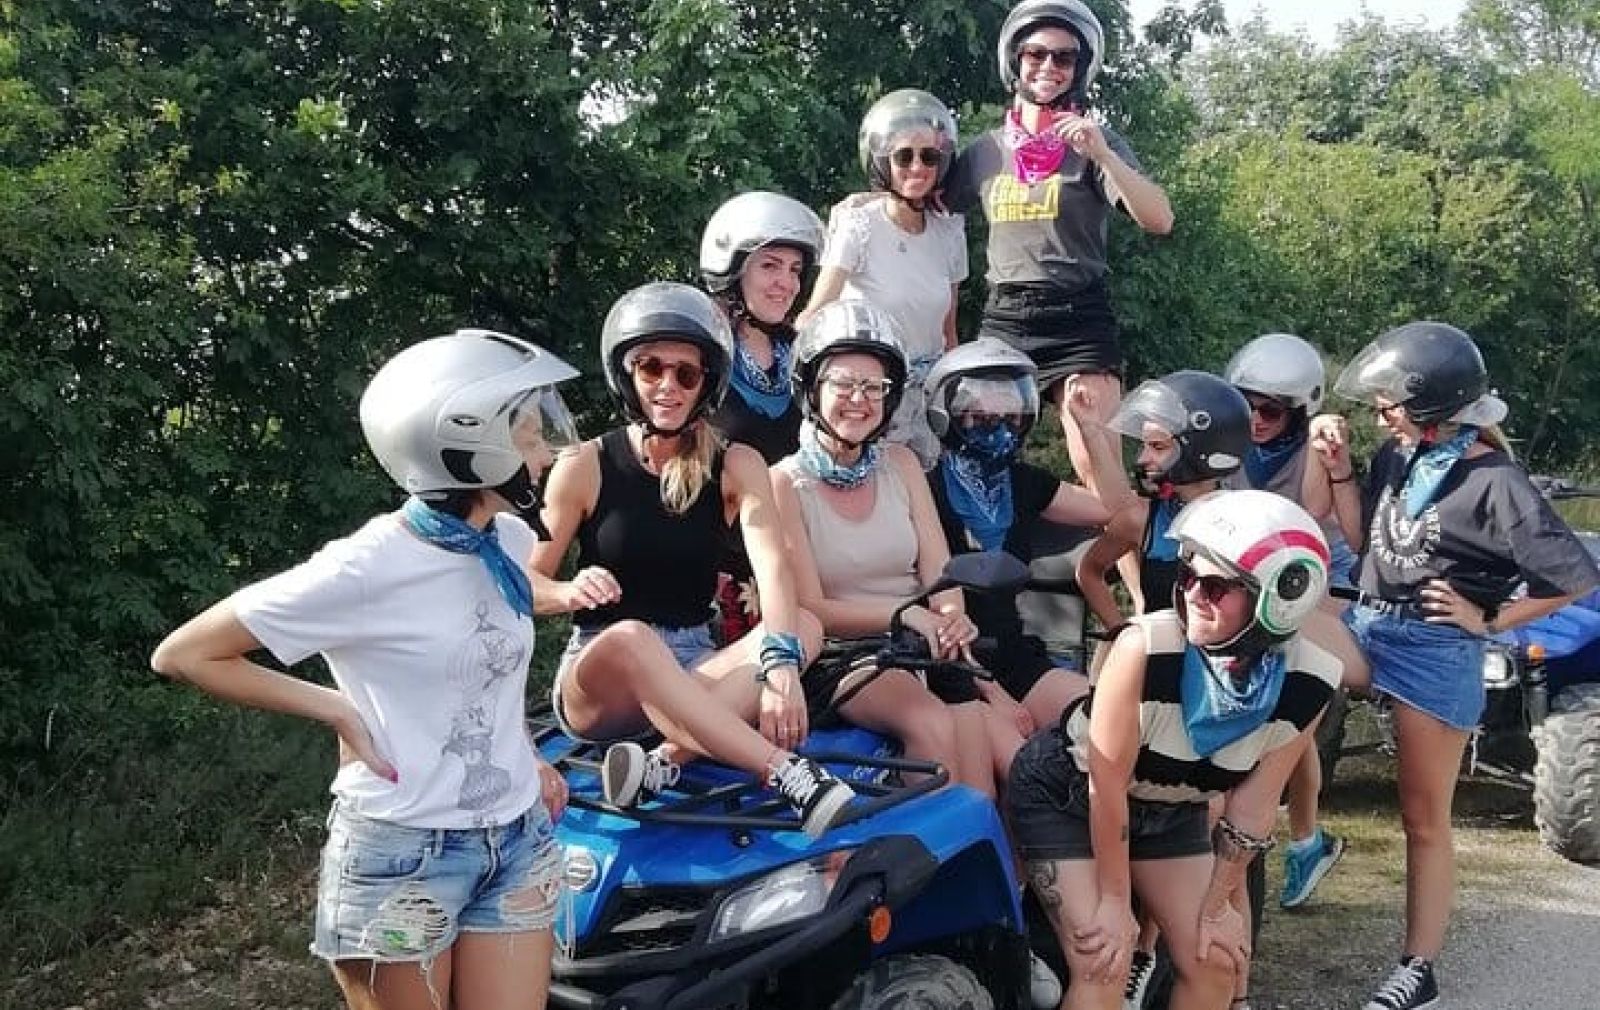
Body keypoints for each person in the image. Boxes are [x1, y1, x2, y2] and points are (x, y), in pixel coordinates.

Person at [150, 329, 581, 1010]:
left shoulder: (505, 539)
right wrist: (336, 708)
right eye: (529, 438)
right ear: (468, 447)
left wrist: (524, 754)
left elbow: (484, 672)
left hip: (517, 839)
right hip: (404, 853)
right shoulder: (367, 566)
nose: (547, 453)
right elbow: (186, 653)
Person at [1310, 321, 1600, 1010]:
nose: (1379, 416)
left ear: (1432, 404)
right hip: (1370, 624)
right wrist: (1341, 468)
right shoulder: (1398, 455)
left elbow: (1574, 579)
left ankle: (1419, 971)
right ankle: (1281, 836)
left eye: (1389, 405)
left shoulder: (1496, 479)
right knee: (1285, 637)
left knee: (1422, 819)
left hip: (1436, 651)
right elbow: (1364, 542)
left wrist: (1489, 621)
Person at [531, 282, 854, 838]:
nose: (668, 385)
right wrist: (567, 591)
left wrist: (780, 665)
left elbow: (773, 566)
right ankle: (787, 773)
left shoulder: (737, 464)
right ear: (626, 374)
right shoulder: (585, 464)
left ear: (707, 383)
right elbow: (522, 583)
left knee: (803, 624)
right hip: (604, 673)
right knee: (633, 637)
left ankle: (662, 762)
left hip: (694, 665)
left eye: (686, 374)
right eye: (651, 367)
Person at [1009, 490, 1349, 1010]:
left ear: (1281, 597)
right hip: (1068, 795)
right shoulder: (1143, 648)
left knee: (1215, 960)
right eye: (1186, 576)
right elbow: (1106, 781)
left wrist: (1217, 906)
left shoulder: (1312, 680)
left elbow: (1253, 809)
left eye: (1215, 586)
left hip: (1172, 809)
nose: (1192, 594)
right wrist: (1115, 901)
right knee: (1104, 962)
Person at [772, 300, 1015, 800]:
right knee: (930, 722)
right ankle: (926, 847)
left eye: (874, 387)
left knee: (987, 786)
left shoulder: (901, 464)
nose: (858, 400)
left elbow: (940, 571)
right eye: (843, 384)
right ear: (812, 389)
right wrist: (907, 616)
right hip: (842, 655)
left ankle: (987, 851)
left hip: (924, 644)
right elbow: (812, 607)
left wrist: (951, 618)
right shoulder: (783, 483)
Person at [942, 0, 1173, 508]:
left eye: (1064, 57)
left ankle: (1136, 563)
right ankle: (994, 559)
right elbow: (926, 207)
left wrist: (1102, 154)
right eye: (1036, 54)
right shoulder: (984, 152)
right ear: (1015, 60)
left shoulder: (1094, 142)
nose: (1049, 66)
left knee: (1096, 463)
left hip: (1077, 318)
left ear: (1079, 68)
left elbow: (1160, 219)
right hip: (1006, 318)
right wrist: (869, 202)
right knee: (978, 457)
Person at [924, 337, 1131, 733]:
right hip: (948, 668)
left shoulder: (1023, 483)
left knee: (1107, 722)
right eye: (982, 418)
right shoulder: (924, 491)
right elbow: (935, 615)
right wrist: (990, 693)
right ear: (946, 415)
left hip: (1014, 658)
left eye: (1012, 418)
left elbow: (1116, 508)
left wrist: (1089, 430)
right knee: (1016, 751)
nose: (1000, 431)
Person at [1223, 332, 1352, 909]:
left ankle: (1299, 838)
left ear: (1299, 412)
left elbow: (1309, 521)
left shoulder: (1313, 454)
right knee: (1281, 716)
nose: (1256, 419)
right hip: (1252, 583)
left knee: (1289, 703)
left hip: (1310, 579)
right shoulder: (1228, 443)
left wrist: (1328, 445)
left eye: (1271, 410)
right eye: (1245, 405)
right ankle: (1305, 840)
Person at [802, 88, 969, 468]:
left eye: (929, 156)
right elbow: (816, 314)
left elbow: (949, 331)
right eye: (903, 156)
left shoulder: (949, 231)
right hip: (869, 396)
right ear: (882, 162)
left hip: (926, 398)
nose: (917, 167)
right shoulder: (858, 225)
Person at [700, 190, 827, 642]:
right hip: (714, 576)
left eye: (795, 269)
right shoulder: (700, 355)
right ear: (732, 270)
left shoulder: (807, 354)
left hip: (801, 567)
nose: (786, 283)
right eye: (770, 265)